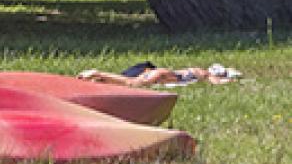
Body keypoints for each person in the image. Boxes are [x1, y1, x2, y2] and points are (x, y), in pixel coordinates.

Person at [77, 61, 242, 87]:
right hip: (162, 73)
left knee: (128, 82)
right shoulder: (202, 72)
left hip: (156, 71)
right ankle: (97, 73)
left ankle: (98, 77)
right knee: (131, 83)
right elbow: (215, 82)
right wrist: (232, 82)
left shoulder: (195, 70)